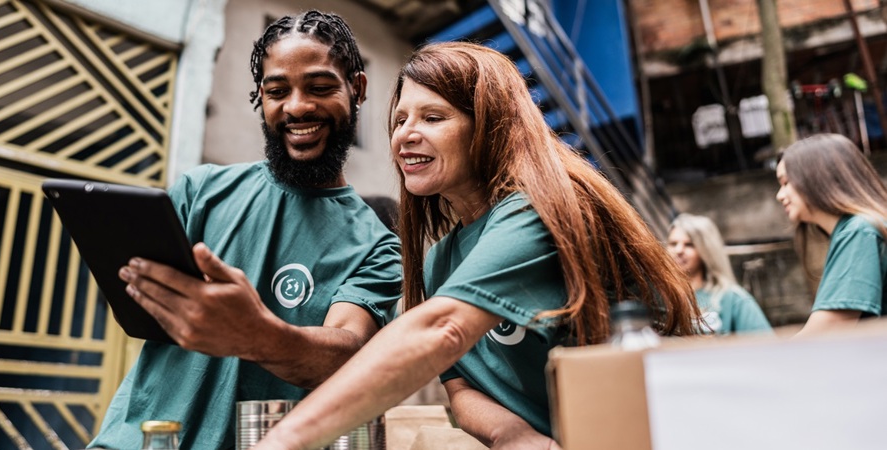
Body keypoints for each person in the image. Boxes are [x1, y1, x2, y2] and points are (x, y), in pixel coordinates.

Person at [251, 42, 699, 450]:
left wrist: (283, 440)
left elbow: (441, 329)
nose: (405, 134)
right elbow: (461, 387)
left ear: (488, 124)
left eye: (433, 117)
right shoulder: (439, 259)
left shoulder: (539, 210)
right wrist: (515, 436)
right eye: (399, 120)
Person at [86, 11, 402, 449]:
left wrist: (256, 334)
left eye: (320, 87)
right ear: (261, 97)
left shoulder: (378, 247)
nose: (296, 107)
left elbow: (348, 355)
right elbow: (136, 308)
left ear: (357, 89)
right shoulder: (200, 192)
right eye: (277, 91)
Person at [775, 133, 887, 336]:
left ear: (816, 177)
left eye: (785, 183)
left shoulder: (860, 231)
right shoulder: (860, 228)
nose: (780, 195)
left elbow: (825, 331)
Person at [667, 213, 773, 335]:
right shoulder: (658, 297)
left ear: (706, 250)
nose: (679, 250)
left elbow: (766, 346)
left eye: (689, 245)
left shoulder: (732, 298)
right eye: (673, 244)